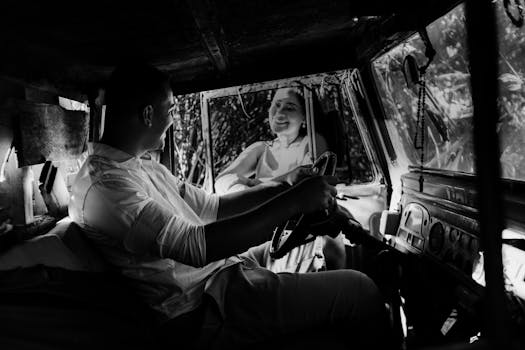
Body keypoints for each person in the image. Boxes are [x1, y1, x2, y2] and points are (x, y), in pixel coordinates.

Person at [68, 62, 389, 349]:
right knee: (361, 291)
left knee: (317, 253)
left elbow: (214, 207)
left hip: (220, 280)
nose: (172, 118)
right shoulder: (106, 187)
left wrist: (287, 186)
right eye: (171, 109)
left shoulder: (143, 167)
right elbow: (195, 246)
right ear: (149, 114)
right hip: (200, 308)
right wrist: (293, 202)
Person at [215, 87, 346, 272]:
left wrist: (252, 184)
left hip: (294, 232)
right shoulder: (261, 149)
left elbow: (313, 187)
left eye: (290, 107)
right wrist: (265, 190)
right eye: (276, 105)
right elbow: (222, 181)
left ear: (304, 117)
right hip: (259, 227)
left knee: (331, 244)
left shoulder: (311, 142)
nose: (280, 112)